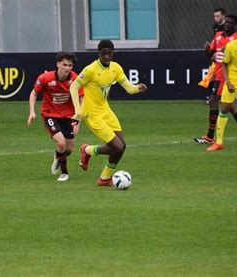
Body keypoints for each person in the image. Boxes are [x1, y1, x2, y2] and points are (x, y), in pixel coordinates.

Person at [69, 39, 147, 186]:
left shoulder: (115, 68)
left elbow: (129, 88)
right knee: (116, 146)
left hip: (106, 110)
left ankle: (104, 178)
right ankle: (88, 150)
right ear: (98, 54)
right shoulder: (90, 70)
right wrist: (78, 111)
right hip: (92, 114)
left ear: (113, 53)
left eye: (109, 53)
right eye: (103, 53)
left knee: (122, 146)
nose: (106, 56)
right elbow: (73, 87)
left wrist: (138, 88)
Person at [194, 14, 237, 145]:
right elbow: (212, 55)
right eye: (226, 22)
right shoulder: (218, 36)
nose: (227, 24)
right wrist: (207, 49)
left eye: (230, 23)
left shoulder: (236, 39)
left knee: (213, 101)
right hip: (218, 74)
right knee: (231, 106)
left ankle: (210, 136)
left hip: (226, 76)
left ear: (235, 25)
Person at [27, 52, 84, 182]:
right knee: (61, 142)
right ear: (58, 64)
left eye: (70, 65)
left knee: (68, 149)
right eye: (64, 64)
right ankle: (64, 173)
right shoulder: (46, 78)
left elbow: (81, 98)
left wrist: (78, 120)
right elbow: (34, 93)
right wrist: (32, 111)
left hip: (68, 116)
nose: (67, 68)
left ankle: (58, 156)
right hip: (50, 114)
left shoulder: (75, 79)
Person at [199, 8, 227, 104]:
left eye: (218, 16)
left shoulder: (227, 26)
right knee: (212, 76)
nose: (215, 18)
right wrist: (210, 47)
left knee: (217, 76)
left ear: (223, 16)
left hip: (225, 55)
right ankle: (212, 97)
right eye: (214, 16)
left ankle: (216, 97)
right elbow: (216, 40)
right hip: (217, 55)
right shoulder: (215, 27)